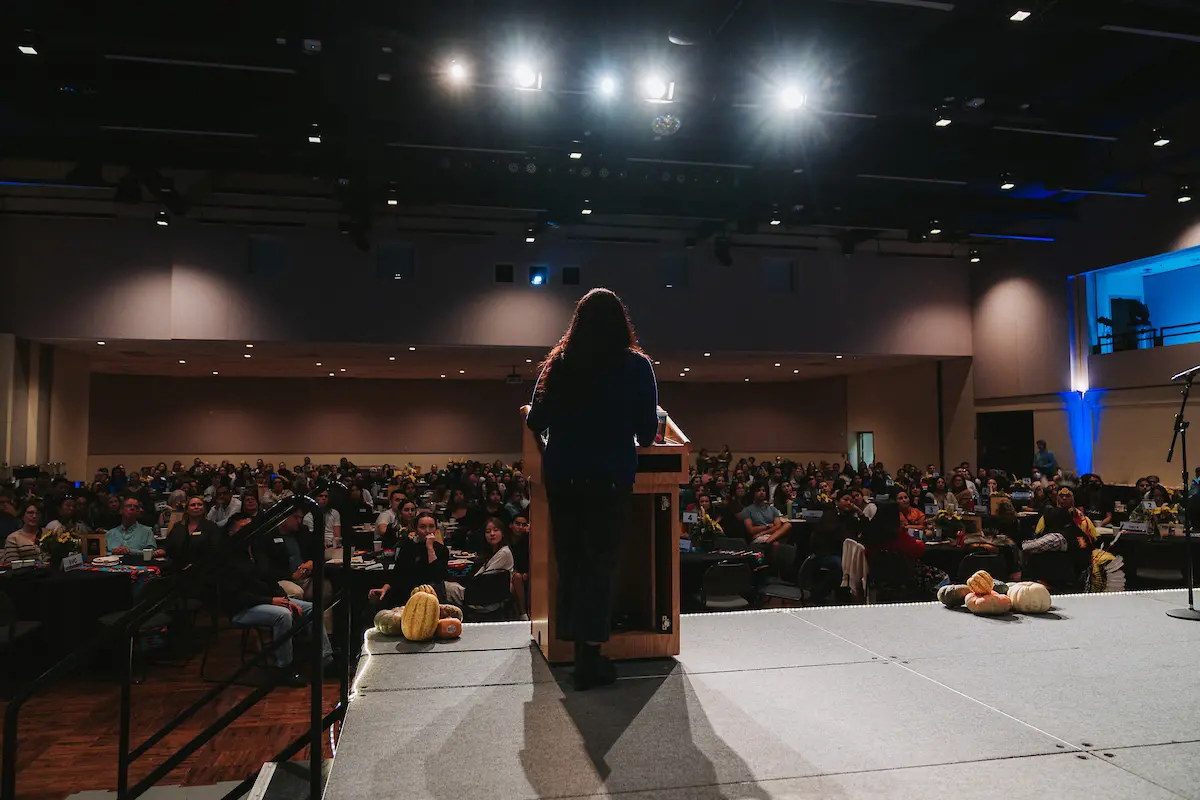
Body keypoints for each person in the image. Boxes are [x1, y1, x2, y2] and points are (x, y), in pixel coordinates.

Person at [525, 288, 658, 691]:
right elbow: (648, 434)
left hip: (565, 477)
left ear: (577, 322)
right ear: (622, 322)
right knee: (601, 563)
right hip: (611, 477)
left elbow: (536, 420)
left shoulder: (561, 363)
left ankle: (578, 649)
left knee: (572, 559)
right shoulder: (636, 366)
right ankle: (591, 656)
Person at [220, 513, 332, 687]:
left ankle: (325, 659)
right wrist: (271, 600)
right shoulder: (228, 557)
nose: (249, 532)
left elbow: (270, 579)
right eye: (243, 528)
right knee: (283, 614)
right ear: (231, 532)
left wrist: (283, 597)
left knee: (312, 608)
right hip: (241, 608)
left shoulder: (257, 550)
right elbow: (236, 595)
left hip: (264, 600)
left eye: (251, 527)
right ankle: (284, 668)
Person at [369, 510, 449, 607]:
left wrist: (430, 548)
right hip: (406, 593)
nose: (427, 531)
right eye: (423, 527)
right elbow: (397, 574)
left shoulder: (441, 549)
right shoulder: (407, 547)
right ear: (416, 529)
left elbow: (437, 576)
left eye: (431, 527)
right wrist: (384, 588)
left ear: (436, 529)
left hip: (430, 595)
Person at [444, 517, 514, 611]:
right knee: (447, 585)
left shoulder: (504, 552)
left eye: (496, 530)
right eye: (488, 531)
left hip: (486, 598)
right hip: (483, 594)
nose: (492, 534)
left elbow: (485, 578)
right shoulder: (494, 551)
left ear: (503, 533)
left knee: (443, 587)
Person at [809, 491, 862, 603]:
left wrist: (859, 512)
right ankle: (819, 594)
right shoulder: (829, 514)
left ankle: (847, 596)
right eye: (845, 500)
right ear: (837, 501)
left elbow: (860, 531)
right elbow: (839, 535)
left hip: (842, 553)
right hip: (825, 553)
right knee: (840, 565)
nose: (849, 503)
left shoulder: (849, 517)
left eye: (851, 501)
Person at [164, 495, 222, 567]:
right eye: (193, 505)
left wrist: (195, 565)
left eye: (200, 505)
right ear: (187, 510)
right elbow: (169, 546)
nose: (196, 507)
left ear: (204, 508)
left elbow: (215, 551)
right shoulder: (178, 526)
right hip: (178, 568)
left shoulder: (211, 527)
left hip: (203, 569)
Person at [740, 481, 792, 546]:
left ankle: (766, 543)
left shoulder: (773, 509)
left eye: (763, 491)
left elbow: (778, 526)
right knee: (775, 544)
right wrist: (767, 526)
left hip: (771, 535)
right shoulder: (747, 510)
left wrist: (763, 532)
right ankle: (767, 543)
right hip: (757, 537)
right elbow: (751, 530)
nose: (762, 493)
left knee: (787, 525)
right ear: (753, 493)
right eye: (758, 491)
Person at [509, 513, 531, 620]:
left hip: (523, 574)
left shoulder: (528, 541)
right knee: (516, 577)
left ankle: (524, 613)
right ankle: (522, 613)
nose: (520, 527)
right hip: (506, 572)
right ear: (511, 525)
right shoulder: (505, 540)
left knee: (518, 578)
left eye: (524, 524)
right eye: (517, 524)